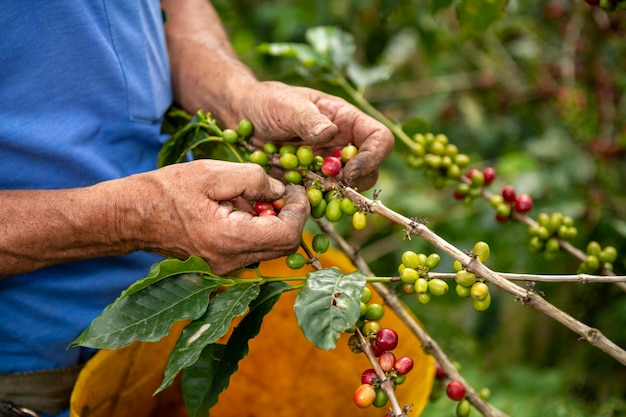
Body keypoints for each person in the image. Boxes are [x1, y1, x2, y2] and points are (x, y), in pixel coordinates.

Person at [0, 0, 393, 416]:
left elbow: (178, 11)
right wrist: (128, 217)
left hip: (164, 345)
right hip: (29, 380)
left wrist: (235, 95)